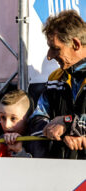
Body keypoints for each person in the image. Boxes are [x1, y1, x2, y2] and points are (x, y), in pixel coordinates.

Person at [29, 10, 86, 159]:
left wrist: (67, 122)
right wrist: (62, 132)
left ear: (75, 44)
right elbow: (37, 119)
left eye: (55, 48)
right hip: (60, 171)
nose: (49, 56)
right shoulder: (56, 78)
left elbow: (68, 122)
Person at [0, 90, 33, 157]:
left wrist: (19, 151)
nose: (7, 125)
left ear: (29, 118)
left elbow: (36, 167)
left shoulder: (36, 142)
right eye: (3, 117)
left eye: (13, 118)